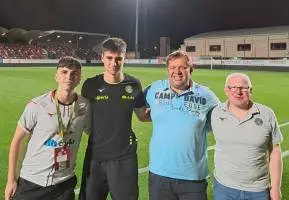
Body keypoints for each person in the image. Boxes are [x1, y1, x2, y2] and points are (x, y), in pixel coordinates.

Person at [4, 56, 91, 200]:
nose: (69, 77)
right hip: (32, 182)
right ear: (56, 76)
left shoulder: (85, 106)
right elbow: (17, 141)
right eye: (64, 72)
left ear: (79, 78)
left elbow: (96, 133)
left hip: (64, 184)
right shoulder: (37, 105)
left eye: (74, 73)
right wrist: (11, 180)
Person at [79, 37, 149, 200]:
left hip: (124, 159)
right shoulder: (90, 85)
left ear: (125, 58)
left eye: (119, 59)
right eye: (109, 58)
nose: (114, 63)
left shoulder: (134, 85)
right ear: (102, 57)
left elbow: (142, 115)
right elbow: (81, 117)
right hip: (95, 158)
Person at [144, 50, 219, 200]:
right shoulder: (154, 89)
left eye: (182, 67)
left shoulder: (206, 95)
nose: (177, 72)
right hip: (159, 174)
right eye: (172, 67)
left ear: (190, 69)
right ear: (167, 70)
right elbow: (137, 108)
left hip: (193, 177)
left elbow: (222, 121)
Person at [211, 73, 283, 200]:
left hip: (258, 190)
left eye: (243, 88)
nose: (238, 92)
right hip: (224, 188)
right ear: (226, 90)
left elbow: (275, 151)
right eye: (233, 87)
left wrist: (276, 187)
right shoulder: (216, 112)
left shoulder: (267, 114)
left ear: (250, 90)